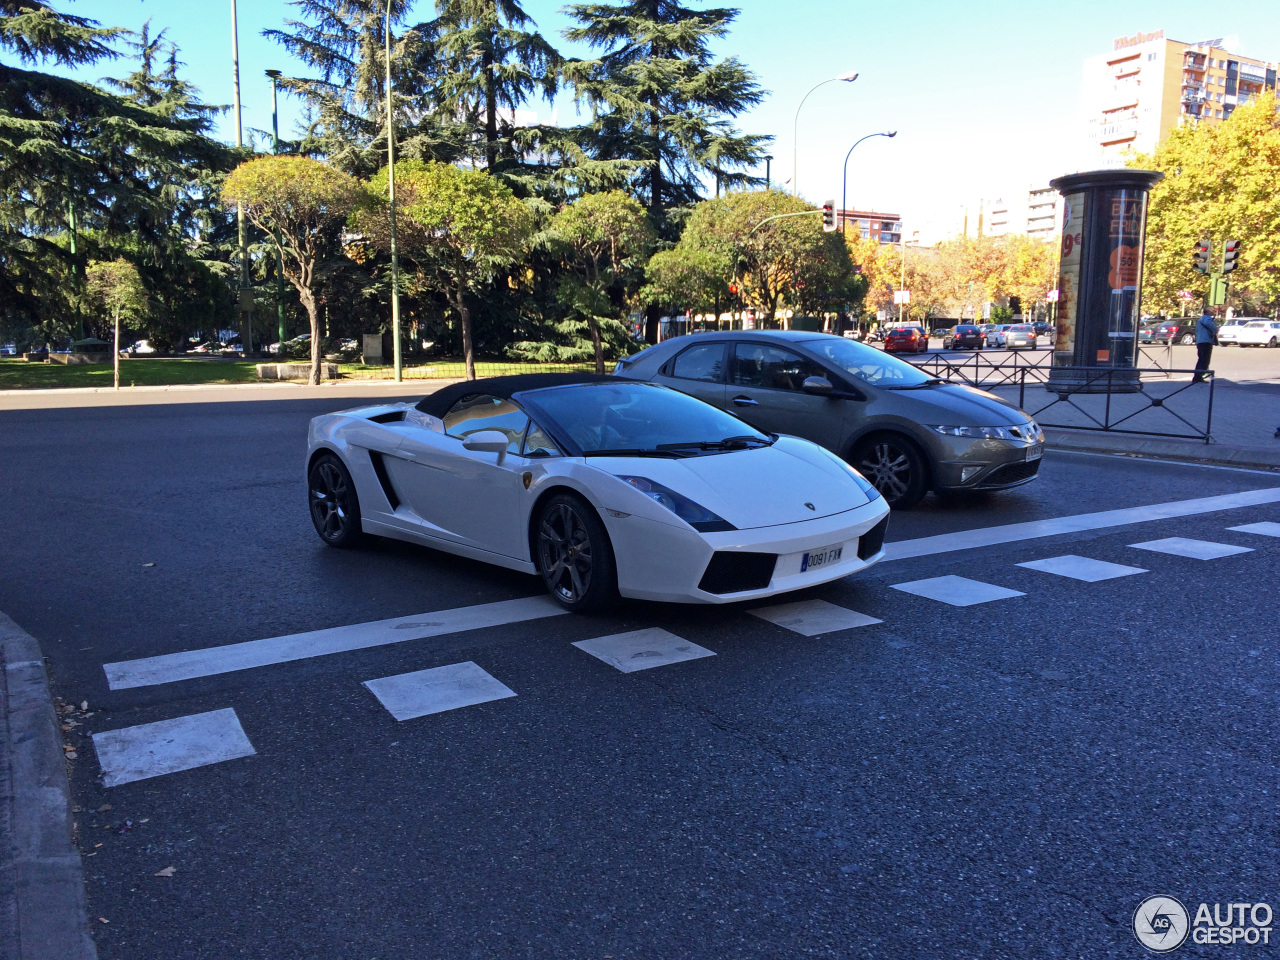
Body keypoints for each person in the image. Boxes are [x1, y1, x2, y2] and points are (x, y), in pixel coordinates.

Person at [1192, 306, 1218, 383]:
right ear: (1208, 311)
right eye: (1213, 310)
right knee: (1204, 360)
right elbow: (1208, 323)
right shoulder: (1207, 318)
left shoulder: (1202, 318)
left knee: (1201, 360)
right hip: (1205, 341)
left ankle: (1198, 376)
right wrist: (1215, 329)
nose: (1214, 311)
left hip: (1201, 341)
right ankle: (1198, 376)